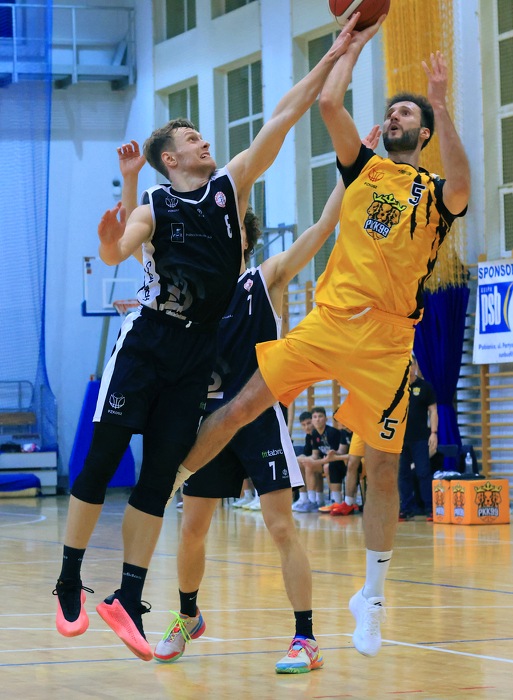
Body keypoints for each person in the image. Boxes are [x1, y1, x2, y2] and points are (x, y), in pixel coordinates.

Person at [52, 20, 360, 662]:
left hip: (214, 376)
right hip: (166, 363)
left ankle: (140, 600)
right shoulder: (158, 211)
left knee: (181, 487)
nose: (205, 141)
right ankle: (90, 586)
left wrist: (334, 55)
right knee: (129, 478)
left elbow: (283, 116)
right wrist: (110, 233)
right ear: (172, 158)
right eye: (193, 138)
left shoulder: (234, 201)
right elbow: (122, 250)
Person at [173, 17, 471, 661]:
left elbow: (464, 185)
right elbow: (331, 105)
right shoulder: (363, 169)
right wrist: (352, 46)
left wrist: (441, 105)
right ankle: (167, 483)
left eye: (406, 114)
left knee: (383, 467)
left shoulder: (433, 194)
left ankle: (372, 599)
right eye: (391, 112)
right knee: (241, 406)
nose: (394, 117)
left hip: (388, 340)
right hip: (330, 320)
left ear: (422, 132)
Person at [153, 178, 352, 674]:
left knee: (281, 526)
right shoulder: (193, 294)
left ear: (243, 237)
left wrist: (347, 174)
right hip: (208, 426)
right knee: (192, 529)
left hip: (259, 420)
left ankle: (306, 638)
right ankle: (188, 615)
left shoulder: (265, 279)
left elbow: (323, 227)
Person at [398, 355, 438, 521]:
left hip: (420, 438)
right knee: (403, 474)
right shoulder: (396, 388)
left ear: (415, 366)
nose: (408, 368)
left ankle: (430, 508)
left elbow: (433, 411)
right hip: (400, 440)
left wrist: (434, 433)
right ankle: (406, 509)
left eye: (411, 364)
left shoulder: (425, 387)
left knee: (423, 473)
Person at [295, 406, 347, 511]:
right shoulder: (314, 434)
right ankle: (310, 500)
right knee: (307, 464)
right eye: (315, 417)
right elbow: (314, 455)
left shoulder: (332, 432)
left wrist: (313, 461)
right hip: (325, 461)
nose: (317, 419)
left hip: (338, 462)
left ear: (326, 419)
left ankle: (334, 500)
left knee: (326, 466)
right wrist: (302, 459)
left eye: (320, 416)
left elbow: (334, 456)